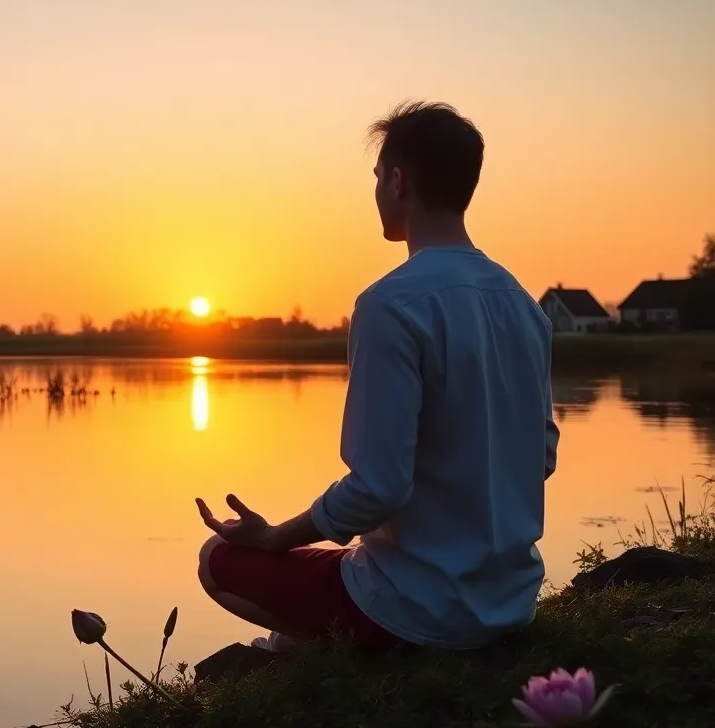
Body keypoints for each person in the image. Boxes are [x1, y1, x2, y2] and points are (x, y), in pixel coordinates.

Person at [196, 101, 559, 652]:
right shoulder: (523, 305)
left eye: (376, 178)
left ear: (397, 181)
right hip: (510, 604)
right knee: (343, 564)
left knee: (218, 561)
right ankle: (327, 639)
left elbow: (378, 488)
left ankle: (345, 650)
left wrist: (275, 537)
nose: (376, 192)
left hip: (421, 612)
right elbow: (544, 454)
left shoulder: (390, 304)